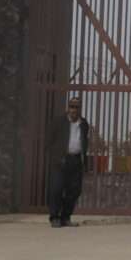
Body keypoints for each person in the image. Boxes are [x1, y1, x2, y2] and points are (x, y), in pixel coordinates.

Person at [50, 94, 93, 227]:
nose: (74, 109)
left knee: (75, 191)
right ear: (68, 108)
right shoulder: (59, 122)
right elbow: (49, 141)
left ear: (80, 109)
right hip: (61, 161)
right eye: (71, 106)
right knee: (57, 189)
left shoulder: (84, 124)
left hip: (76, 160)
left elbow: (84, 141)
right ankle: (55, 217)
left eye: (76, 107)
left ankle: (65, 217)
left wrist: (84, 160)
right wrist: (55, 157)